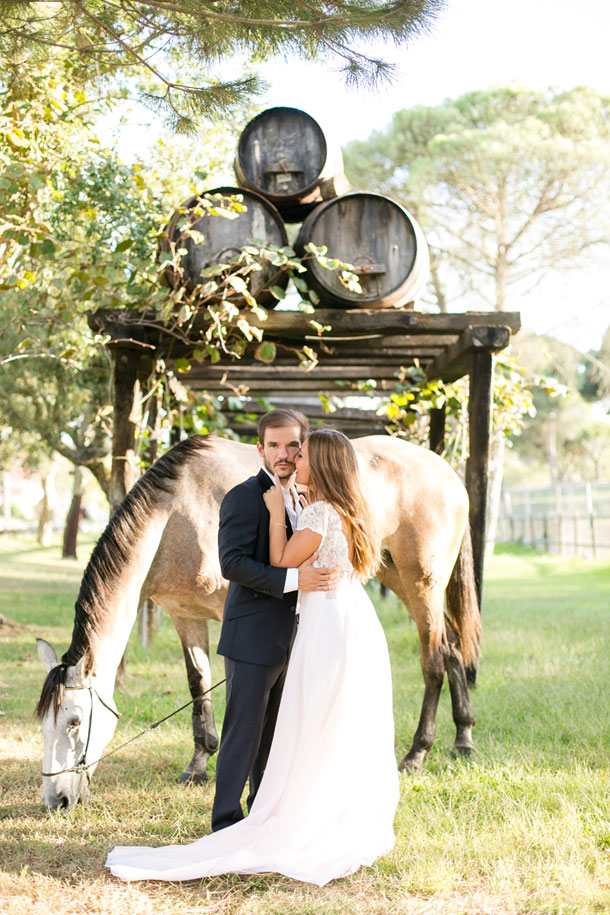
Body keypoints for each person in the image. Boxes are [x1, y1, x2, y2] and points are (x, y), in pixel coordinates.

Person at [106, 427, 398, 886]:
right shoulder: (257, 498)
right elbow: (233, 563)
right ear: (262, 448)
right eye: (283, 448)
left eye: (299, 452)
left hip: (324, 627)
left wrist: (281, 513)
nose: (292, 459)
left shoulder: (316, 508)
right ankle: (237, 820)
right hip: (319, 626)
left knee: (313, 725)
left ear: (318, 464)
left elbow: (282, 558)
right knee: (288, 727)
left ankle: (301, 818)